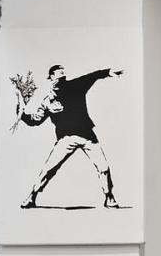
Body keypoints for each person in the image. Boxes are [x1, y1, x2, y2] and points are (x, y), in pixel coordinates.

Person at [19, 64, 125, 208]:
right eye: (58, 72)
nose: (62, 73)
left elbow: (92, 76)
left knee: (103, 167)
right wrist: (21, 114)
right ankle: (31, 198)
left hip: (88, 136)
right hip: (65, 139)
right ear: (51, 77)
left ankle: (109, 198)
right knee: (49, 169)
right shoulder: (47, 101)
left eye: (63, 72)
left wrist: (109, 72)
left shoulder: (76, 85)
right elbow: (35, 120)